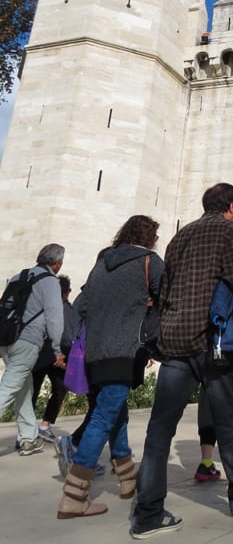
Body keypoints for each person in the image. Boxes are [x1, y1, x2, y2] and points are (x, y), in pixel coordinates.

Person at [132, 183, 233, 540]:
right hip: (214, 342)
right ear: (231, 206)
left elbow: (164, 293)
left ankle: (148, 513)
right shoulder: (232, 231)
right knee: (229, 421)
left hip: (175, 340)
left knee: (159, 429)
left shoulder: (179, 238)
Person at [56, 215, 163, 521]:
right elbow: (165, 300)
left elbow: (83, 306)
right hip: (123, 351)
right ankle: (74, 496)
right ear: (150, 237)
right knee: (103, 417)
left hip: (94, 352)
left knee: (116, 413)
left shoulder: (101, 263)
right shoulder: (150, 262)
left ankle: (128, 478)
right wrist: (149, 334)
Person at [0, 244, 65, 456]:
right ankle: (28, 437)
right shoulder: (49, 281)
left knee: (24, 389)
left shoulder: (19, 276)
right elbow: (55, 318)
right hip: (27, 342)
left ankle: (28, 438)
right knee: (8, 389)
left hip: (6, 339)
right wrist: (56, 349)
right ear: (56, 263)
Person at [31, 274, 73, 444]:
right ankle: (45, 425)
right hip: (57, 357)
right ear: (66, 292)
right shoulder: (66, 309)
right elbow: (68, 336)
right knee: (60, 388)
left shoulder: (40, 306)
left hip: (39, 354)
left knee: (31, 392)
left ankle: (26, 431)